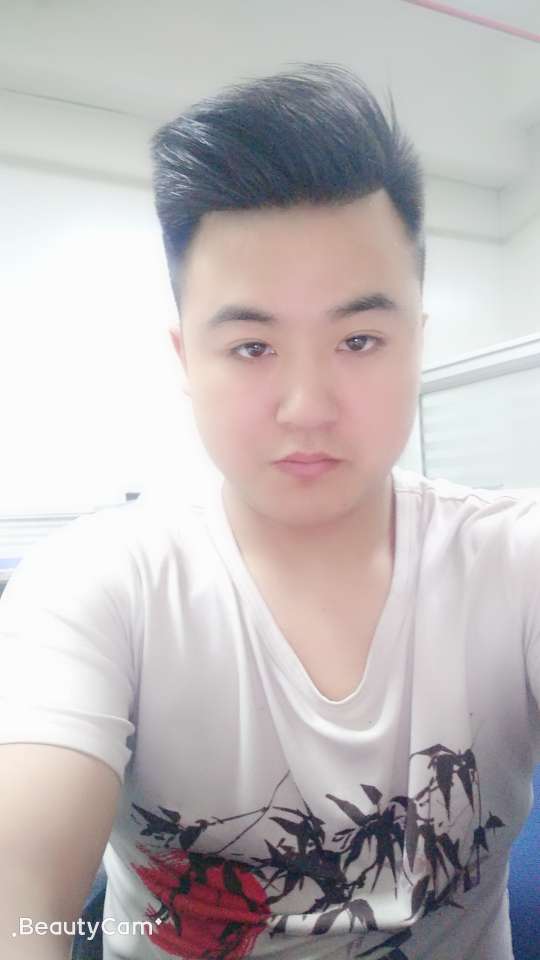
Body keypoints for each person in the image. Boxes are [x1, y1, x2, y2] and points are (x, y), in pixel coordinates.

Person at [1, 61, 539, 960]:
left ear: (416, 345)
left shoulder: (515, 562)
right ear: (186, 357)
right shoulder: (97, 586)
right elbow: (22, 896)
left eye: (358, 339)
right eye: (252, 347)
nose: (306, 407)